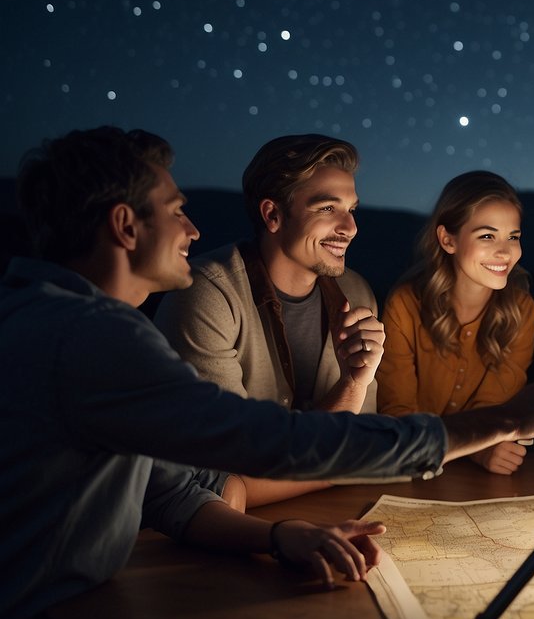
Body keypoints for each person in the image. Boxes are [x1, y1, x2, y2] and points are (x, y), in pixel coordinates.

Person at [0, 126, 534, 619]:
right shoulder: (91, 338)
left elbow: (172, 489)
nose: (193, 231)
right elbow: (264, 448)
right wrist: (508, 419)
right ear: (124, 226)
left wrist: (277, 536)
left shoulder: (71, 320)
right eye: (176, 211)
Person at [154, 134, 383, 509]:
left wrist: (354, 385)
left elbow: (364, 441)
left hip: (329, 517)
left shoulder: (356, 295)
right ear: (273, 215)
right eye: (328, 209)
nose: (350, 227)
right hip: (213, 539)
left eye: (352, 209)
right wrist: (339, 463)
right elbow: (221, 473)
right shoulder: (206, 295)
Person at [378, 172, 534, 474]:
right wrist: (476, 449)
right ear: (448, 240)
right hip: (406, 471)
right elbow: (397, 412)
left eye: (513, 236)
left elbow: (495, 409)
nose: (504, 251)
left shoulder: (520, 310)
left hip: (476, 480)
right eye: (487, 236)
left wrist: (481, 444)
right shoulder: (405, 304)